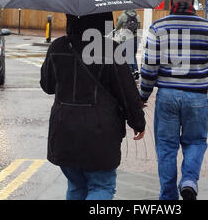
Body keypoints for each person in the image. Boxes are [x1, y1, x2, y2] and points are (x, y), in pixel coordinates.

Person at [40, 12, 146, 200]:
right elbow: (127, 92)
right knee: (101, 187)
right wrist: (138, 122)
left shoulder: (58, 47)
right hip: (100, 132)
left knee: (75, 186)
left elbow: (47, 86)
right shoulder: (111, 50)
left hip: (64, 129)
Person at [140, 0, 208, 200]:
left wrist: (143, 95)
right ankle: (189, 180)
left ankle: (168, 197)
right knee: (196, 142)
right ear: (193, 3)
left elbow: (150, 66)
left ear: (171, 3)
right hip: (197, 98)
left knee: (166, 147)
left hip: (167, 96)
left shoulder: (158, 27)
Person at [116, 9, 141, 80]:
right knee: (133, 55)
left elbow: (117, 27)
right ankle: (135, 70)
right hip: (135, 38)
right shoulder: (138, 16)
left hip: (125, 38)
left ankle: (130, 72)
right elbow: (139, 27)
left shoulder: (123, 16)